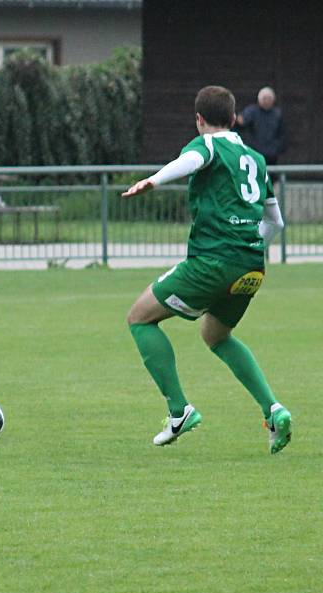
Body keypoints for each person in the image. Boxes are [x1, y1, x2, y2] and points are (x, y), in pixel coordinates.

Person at [122, 85, 291, 453]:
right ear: (234, 119)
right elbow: (276, 223)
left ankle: (178, 410)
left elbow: (192, 162)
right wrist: (249, 244)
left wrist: (154, 180)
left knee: (139, 318)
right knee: (216, 336)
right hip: (252, 266)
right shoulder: (256, 159)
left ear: (199, 120)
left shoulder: (209, 146)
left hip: (213, 261)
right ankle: (274, 410)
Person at [236, 86, 286, 165]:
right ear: (259, 99)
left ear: (273, 100)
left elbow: (282, 134)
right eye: (264, 98)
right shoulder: (251, 111)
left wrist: (277, 148)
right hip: (254, 153)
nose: (266, 101)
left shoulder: (277, 114)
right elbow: (241, 123)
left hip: (271, 155)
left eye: (269, 98)